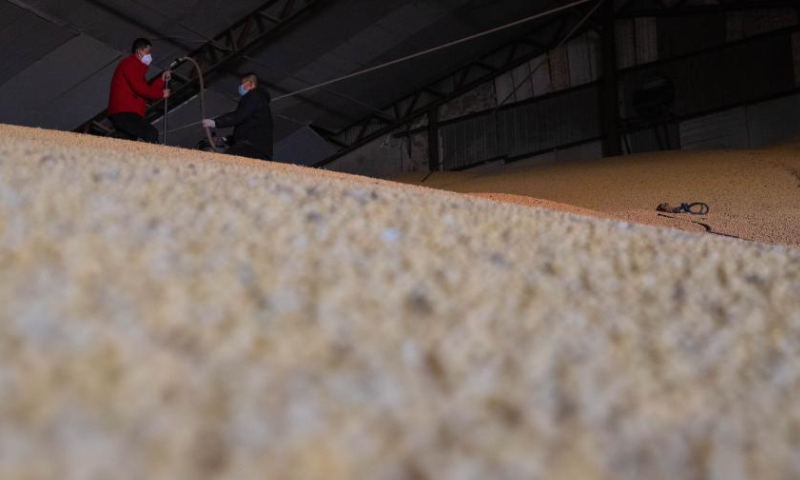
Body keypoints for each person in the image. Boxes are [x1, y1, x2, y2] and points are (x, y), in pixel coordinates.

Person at [107, 38, 171, 143]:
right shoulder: (129, 64)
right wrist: (161, 93)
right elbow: (141, 89)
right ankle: (153, 157)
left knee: (127, 142)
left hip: (123, 112)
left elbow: (144, 90)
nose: (149, 56)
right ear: (139, 51)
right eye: (148, 52)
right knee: (151, 133)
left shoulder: (134, 68)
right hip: (125, 111)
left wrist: (161, 80)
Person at [202, 73, 273, 160]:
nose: (240, 87)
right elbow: (249, 128)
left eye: (242, 84)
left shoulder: (253, 97)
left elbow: (239, 115)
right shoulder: (262, 103)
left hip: (250, 148)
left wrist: (215, 122)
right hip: (261, 152)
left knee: (223, 162)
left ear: (250, 84)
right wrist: (226, 139)